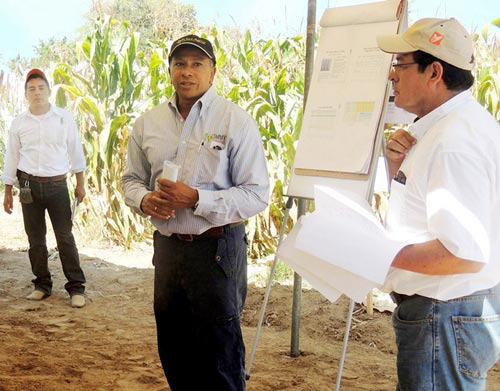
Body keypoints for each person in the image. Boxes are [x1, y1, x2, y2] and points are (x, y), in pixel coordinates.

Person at [122, 34, 269, 390]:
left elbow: (256, 195)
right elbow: (130, 180)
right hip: (168, 250)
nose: (187, 72)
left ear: (213, 72)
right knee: (174, 347)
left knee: (219, 353)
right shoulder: (148, 123)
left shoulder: (236, 121)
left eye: (197, 64)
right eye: (180, 64)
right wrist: (144, 200)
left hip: (216, 250)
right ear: (170, 71)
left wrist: (196, 199)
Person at [377, 18, 500, 390]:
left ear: (434, 72)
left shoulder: (453, 141)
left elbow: (463, 253)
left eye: (400, 64)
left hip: (443, 314)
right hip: (446, 314)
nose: (392, 76)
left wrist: (378, 252)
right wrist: (399, 168)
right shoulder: (452, 128)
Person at [2, 69, 87, 309]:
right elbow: (12, 157)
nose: (37, 92)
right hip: (28, 187)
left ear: (49, 91)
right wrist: (8, 190)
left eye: (41, 88)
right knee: (35, 239)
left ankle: (76, 287)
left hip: (58, 185)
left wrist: (80, 183)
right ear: (25, 95)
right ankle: (42, 285)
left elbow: (75, 150)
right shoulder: (18, 123)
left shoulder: (63, 118)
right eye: (31, 89)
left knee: (65, 238)